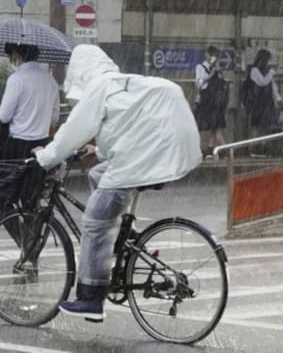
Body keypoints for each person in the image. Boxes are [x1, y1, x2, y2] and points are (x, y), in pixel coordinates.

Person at [33, 44, 200, 322]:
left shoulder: (99, 87)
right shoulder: (120, 84)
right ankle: (127, 236)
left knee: (95, 223)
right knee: (97, 174)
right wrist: (97, 152)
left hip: (143, 159)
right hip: (161, 149)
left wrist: (45, 158)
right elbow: (130, 129)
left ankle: (91, 299)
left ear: (80, 70)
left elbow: (72, 130)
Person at [0, 43, 60, 223]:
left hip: (17, 148)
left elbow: (4, 117)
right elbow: (54, 117)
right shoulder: (50, 81)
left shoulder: (17, 79)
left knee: (1, 198)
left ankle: (22, 239)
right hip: (42, 146)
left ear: (16, 55)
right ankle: (32, 239)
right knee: (31, 200)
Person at [242, 48, 282, 156]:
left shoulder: (267, 71)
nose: (269, 62)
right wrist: (271, 73)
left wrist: (277, 100)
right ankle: (253, 148)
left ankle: (263, 147)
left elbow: (273, 87)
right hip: (257, 103)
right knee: (256, 126)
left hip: (266, 104)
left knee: (265, 126)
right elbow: (263, 82)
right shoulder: (254, 70)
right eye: (268, 60)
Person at [193, 46, 228, 158]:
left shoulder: (216, 68)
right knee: (212, 125)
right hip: (207, 100)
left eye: (215, 56)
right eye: (212, 55)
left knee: (215, 126)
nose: (213, 58)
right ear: (207, 55)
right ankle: (224, 149)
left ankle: (210, 149)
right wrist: (211, 75)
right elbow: (199, 83)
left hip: (216, 101)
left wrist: (218, 72)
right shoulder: (200, 67)